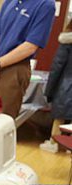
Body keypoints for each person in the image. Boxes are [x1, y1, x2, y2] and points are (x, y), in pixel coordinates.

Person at [0, 0, 55, 119]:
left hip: (15, 68)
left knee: (2, 121)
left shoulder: (45, 4)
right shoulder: (9, 2)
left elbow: (30, 46)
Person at [40, 20, 72, 153]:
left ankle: (54, 142)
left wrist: (49, 91)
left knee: (59, 117)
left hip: (66, 85)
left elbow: (57, 66)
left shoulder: (66, 42)